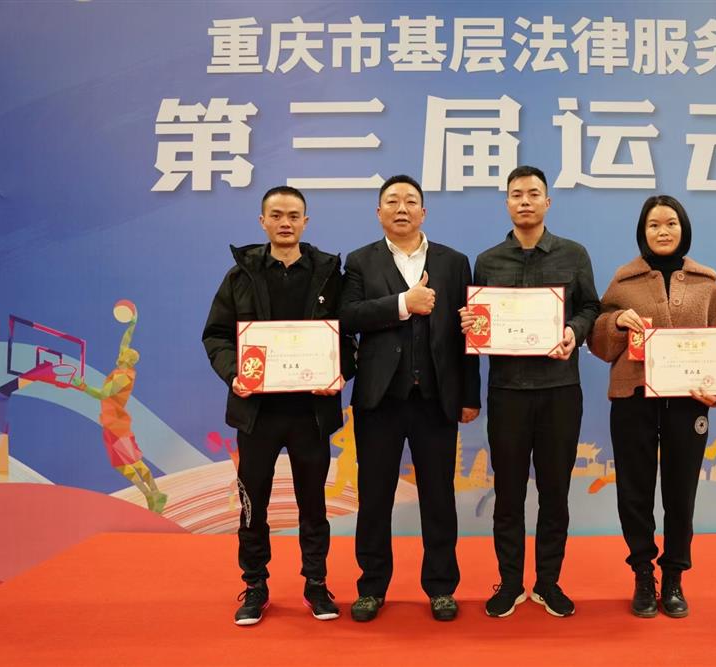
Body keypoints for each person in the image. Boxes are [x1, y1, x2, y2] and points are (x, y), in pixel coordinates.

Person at [588, 194, 716, 619]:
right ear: (642, 232)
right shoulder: (623, 283)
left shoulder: (706, 283)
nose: (663, 231)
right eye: (654, 225)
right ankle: (643, 574)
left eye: (671, 223)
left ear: (684, 228)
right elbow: (599, 343)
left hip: (687, 403)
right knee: (634, 492)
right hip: (633, 400)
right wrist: (615, 323)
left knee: (681, 493)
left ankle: (675, 576)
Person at [202, 185, 354, 626]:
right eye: (276, 215)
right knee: (253, 505)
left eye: (293, 215)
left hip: (311, 413)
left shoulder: (329, 275)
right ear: (262, 221)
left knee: (314, 507)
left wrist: (339, 372)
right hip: (257, 415)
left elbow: (348, 336)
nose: (285, 222)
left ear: (306, 222)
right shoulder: (240, 276)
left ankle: (316, 584)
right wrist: (234, 374)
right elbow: (216, 335)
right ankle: (255, 586)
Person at [340, 174, 480, 622]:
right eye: (392, 201)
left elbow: (468, 332)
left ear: (424, 212)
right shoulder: (360, 261)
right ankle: (371, 587)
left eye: (410, 201)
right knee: (374, 497)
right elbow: (348, 316)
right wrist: (404, 302)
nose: (402, 208)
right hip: (379, 400)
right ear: (378, 212)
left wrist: (470, 394)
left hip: (436, 398)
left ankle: (441, 587)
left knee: (439, 497)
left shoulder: (454, 262)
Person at [462, 165, 599, 618]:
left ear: (547, 202)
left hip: (560, 390)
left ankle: (548, 582)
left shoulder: (574, 254)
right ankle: (510, 582)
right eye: (517, 194)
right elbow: (480, 322)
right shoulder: (488, 261)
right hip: (507, 392)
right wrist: (472, 324)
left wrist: (574, 331)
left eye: (533, 193)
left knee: (555, 492)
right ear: (507, 203)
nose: (525, 201)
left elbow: (591, 307)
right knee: (508, 493)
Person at [71, 307, 167, 514]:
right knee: (120, 464)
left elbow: (103, 394)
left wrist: (82, 386)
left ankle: (156, 493)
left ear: (128, 360)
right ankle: (149, 495)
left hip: (118, 423)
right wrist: (132, 324)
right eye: (123, 351)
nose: (122, 351)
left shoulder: (124, 376)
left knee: (134, 462)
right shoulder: (120, 369)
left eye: (125, 353)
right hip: (109, 422)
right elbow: (125, 342)